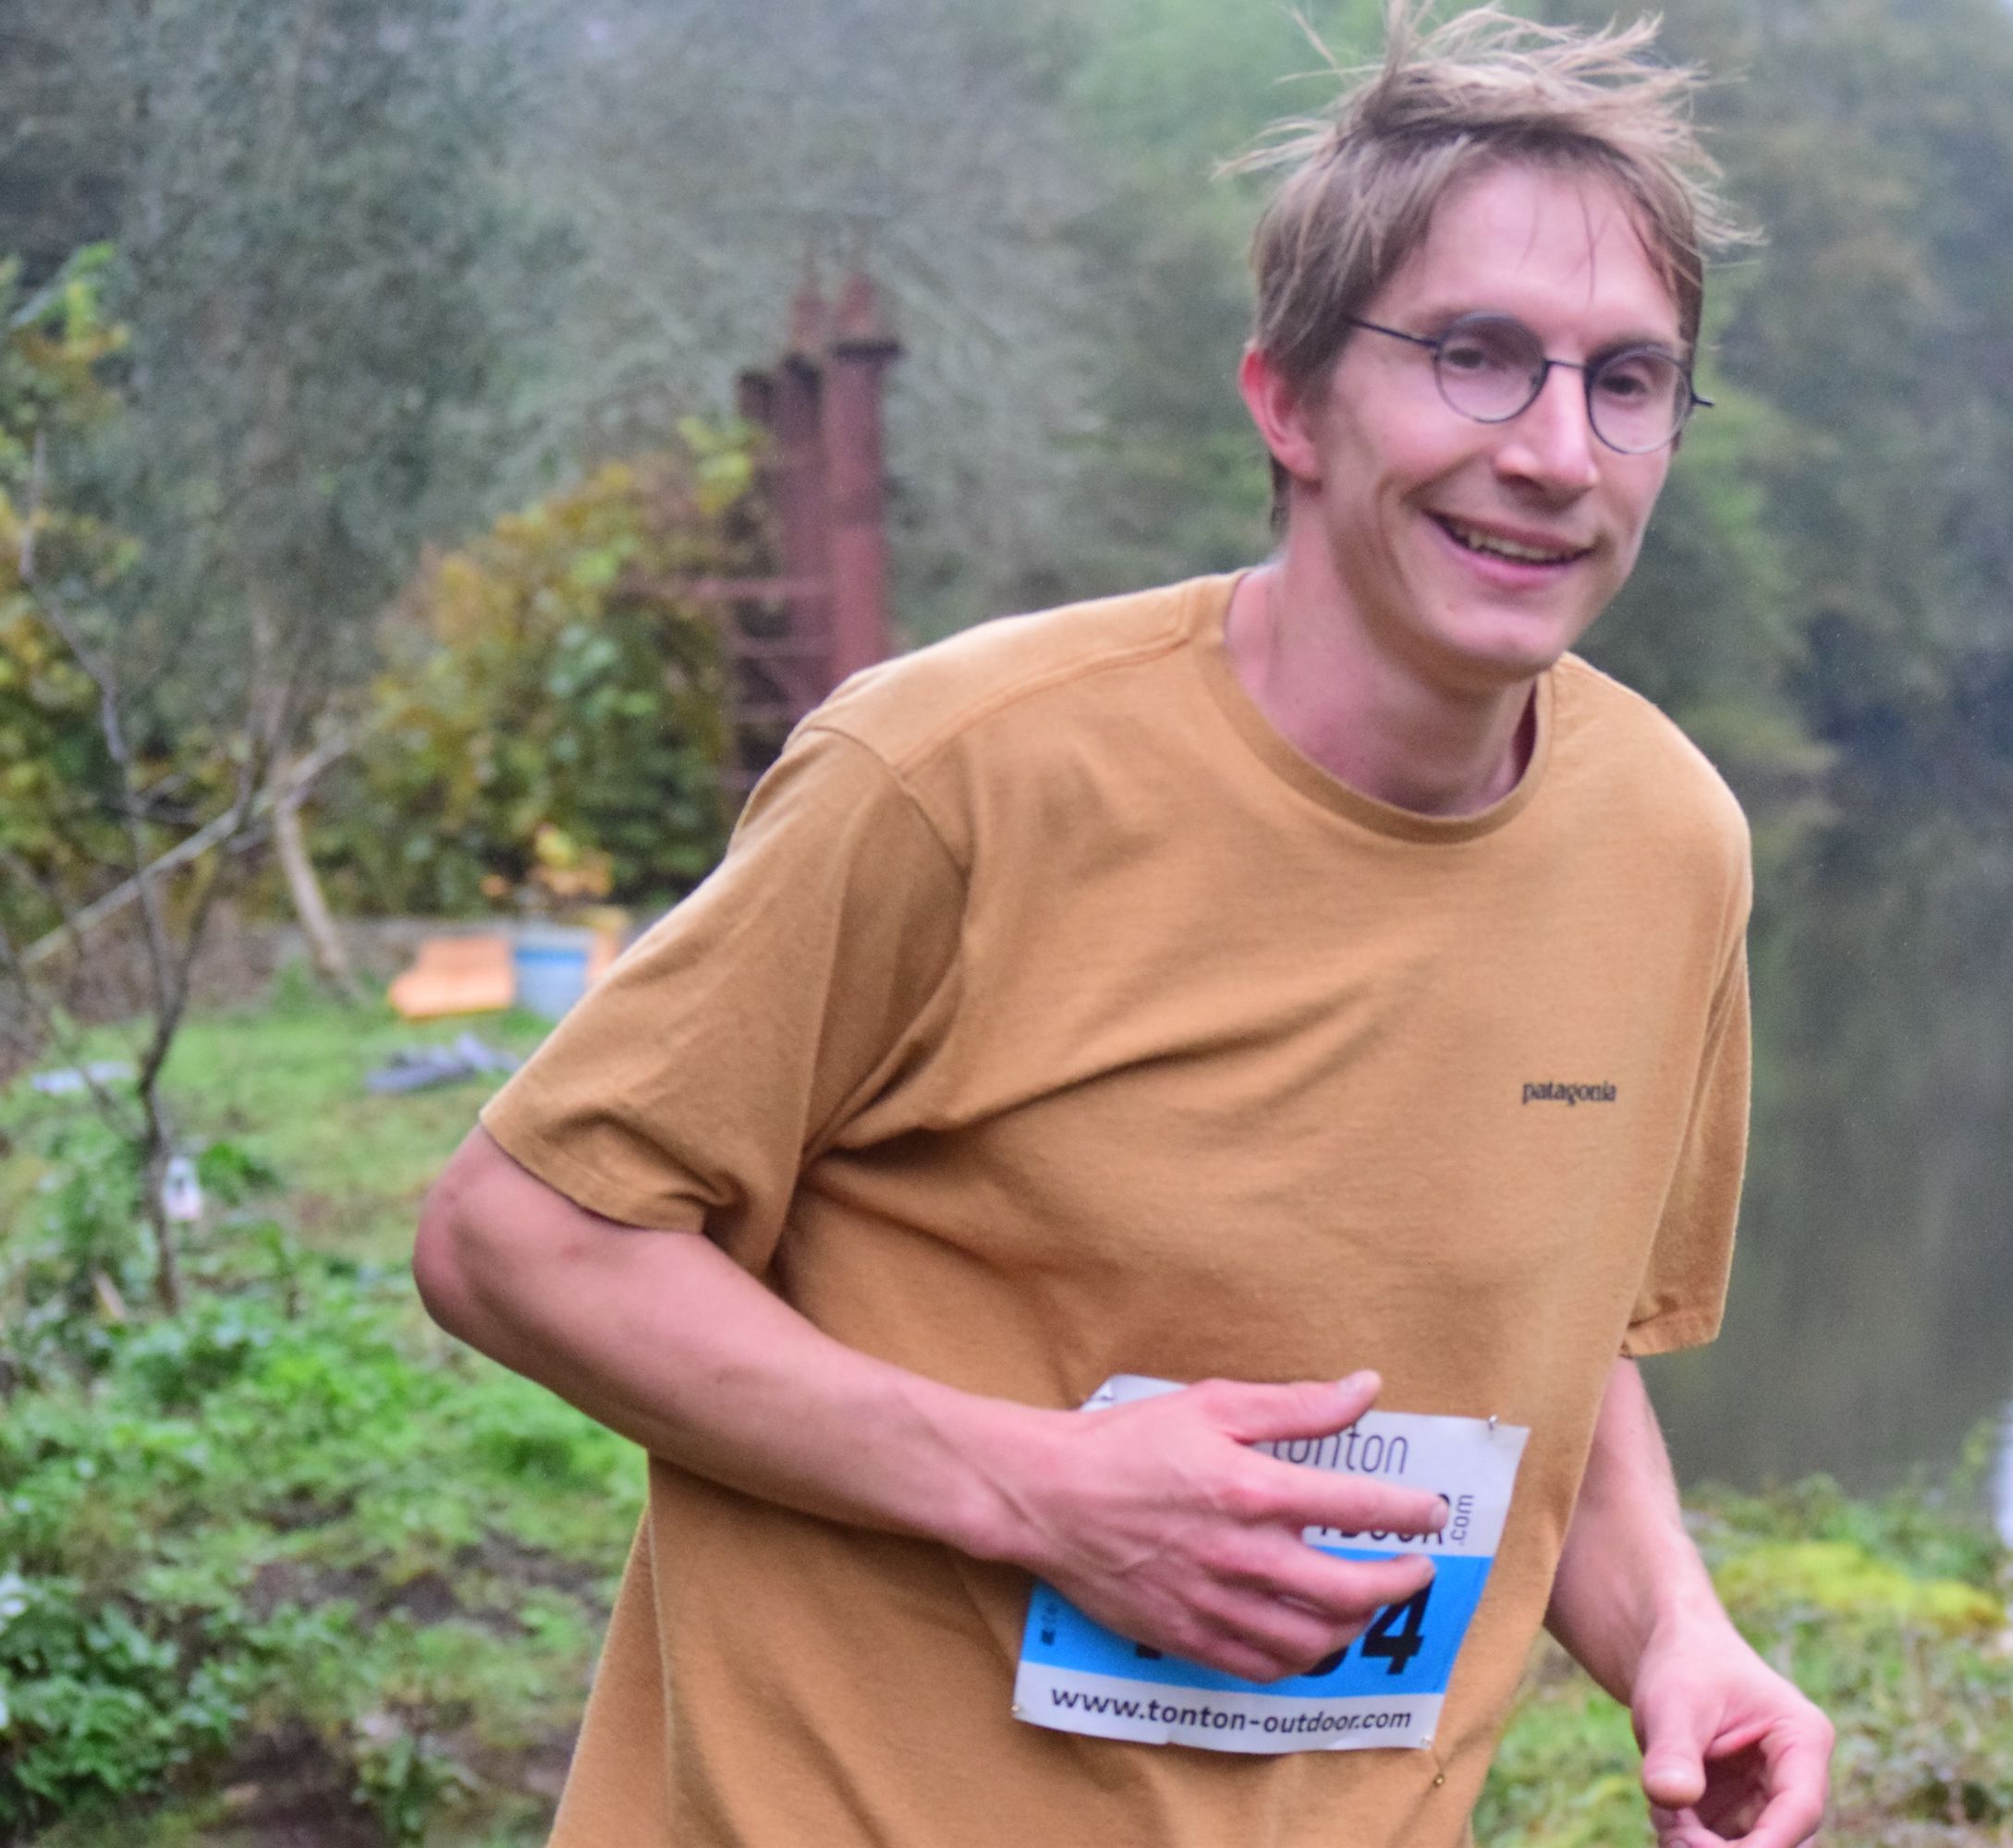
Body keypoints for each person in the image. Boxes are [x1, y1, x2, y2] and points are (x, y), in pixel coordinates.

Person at [414, 6, 1833, 1844]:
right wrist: (1039, 1490)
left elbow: (1554, 1346)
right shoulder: (954, 776)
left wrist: (1673, 1637)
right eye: (1473, 358)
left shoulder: (1669, 844)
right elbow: (517, 1239)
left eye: (1625, 381)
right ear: (1286, 400)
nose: (1557, 452)